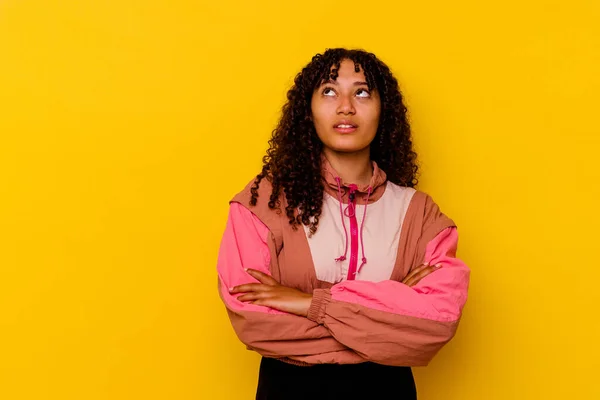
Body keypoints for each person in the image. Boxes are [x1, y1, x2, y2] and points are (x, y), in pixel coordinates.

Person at [216, 48, 470, 400]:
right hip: (289, 391)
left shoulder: (420, 214)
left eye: (362, 92)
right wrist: (389, 320)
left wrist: (310, 304)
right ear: (308, 110)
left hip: (387, 393)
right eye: (330, 91)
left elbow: (437, 320)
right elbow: (254, 319)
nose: (346, 106)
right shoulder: (264, 202)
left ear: (385, 110)